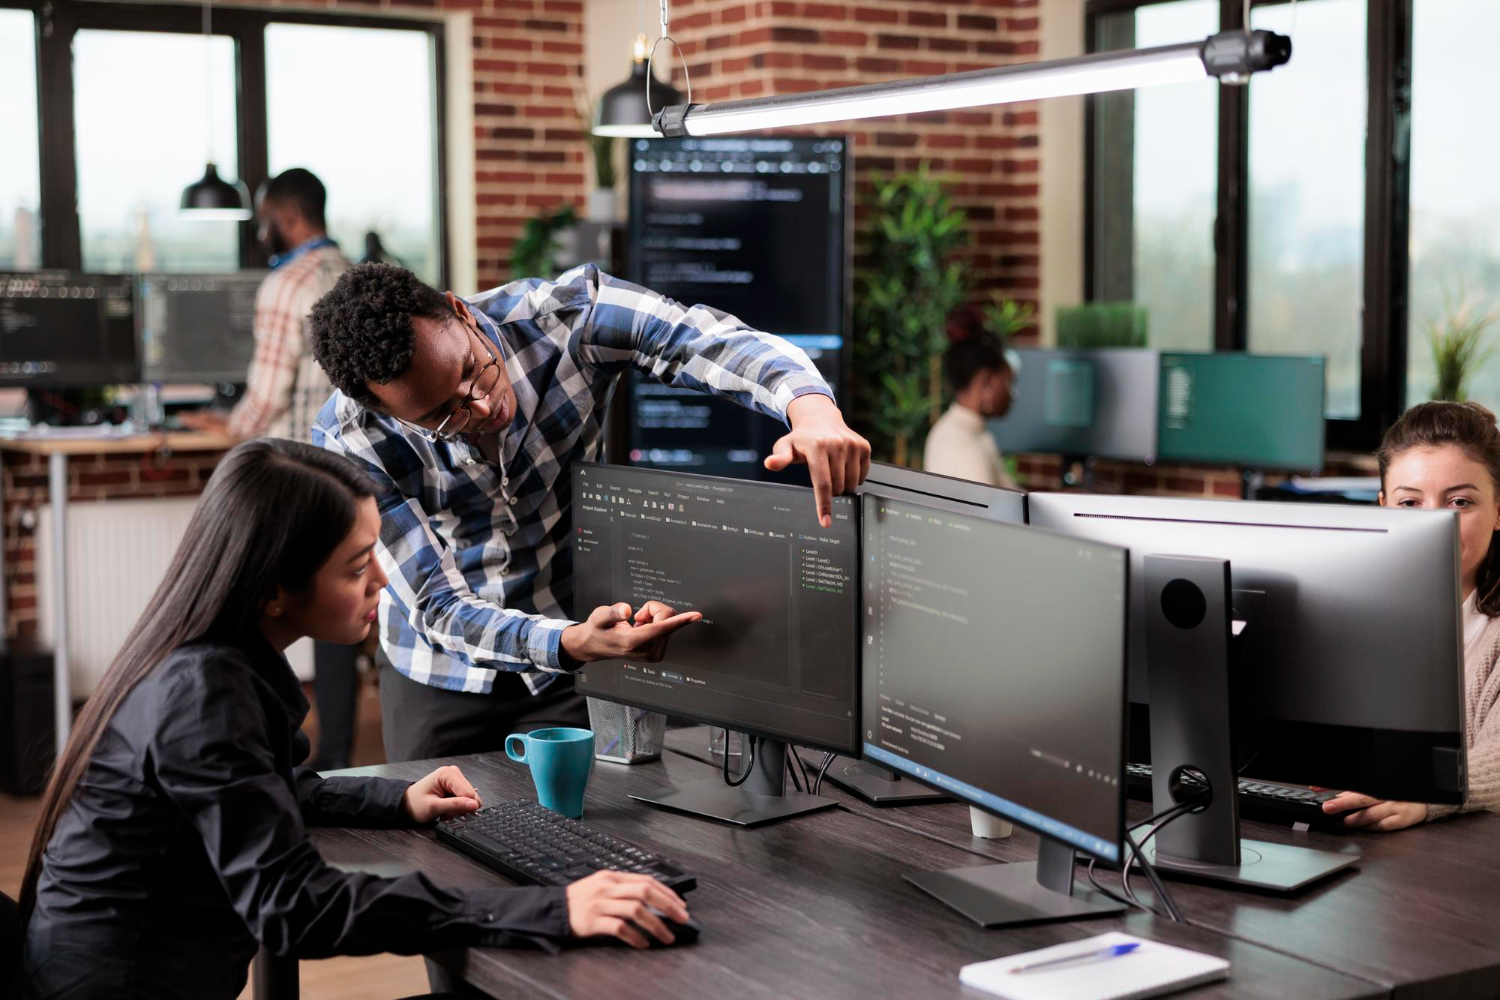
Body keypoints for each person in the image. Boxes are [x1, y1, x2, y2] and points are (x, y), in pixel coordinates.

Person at [18, 440, 692, 1000]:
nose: (382, 579)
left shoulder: (207, 661)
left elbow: (261, 788)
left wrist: (395, 797)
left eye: (376, 551)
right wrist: (554, 909)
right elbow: (295, 909)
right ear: (274, 589)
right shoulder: (204, 694)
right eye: (353, 565)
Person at [309, 262, 871, 763]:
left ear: (463, 313)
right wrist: (570, 643)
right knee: (443, 848)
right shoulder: (350, 437)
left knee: (600, 830)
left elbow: (702, 339)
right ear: (385, 411)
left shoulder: (567, 315)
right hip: (446, 669)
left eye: (472, 370)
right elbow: (436, 606)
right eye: (442, 413)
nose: (483, 405)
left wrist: (809, 407)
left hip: (577, 637)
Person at [184, 166, 362, 770]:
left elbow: (265, 395)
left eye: (264, 219)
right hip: (356, 476)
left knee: (263, 602)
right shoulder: (357, 275)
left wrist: (224, 424)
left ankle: (261, 750)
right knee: (346, 609)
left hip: (298, 478)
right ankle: (336, 754)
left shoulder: (285, 286)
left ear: (284, 219)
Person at [1318, 401, 1500, 831]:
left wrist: (1425, 787)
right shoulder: (1350, 615)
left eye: (1459, 501)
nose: (1435, 523)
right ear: (1384, 507)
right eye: (1409, 503)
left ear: (1498, 510)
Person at [922, 327, 1019, 490]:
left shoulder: (964, 430)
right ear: (986, 381)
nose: (1012, 394)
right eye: (1009, 382)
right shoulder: (961, 443)